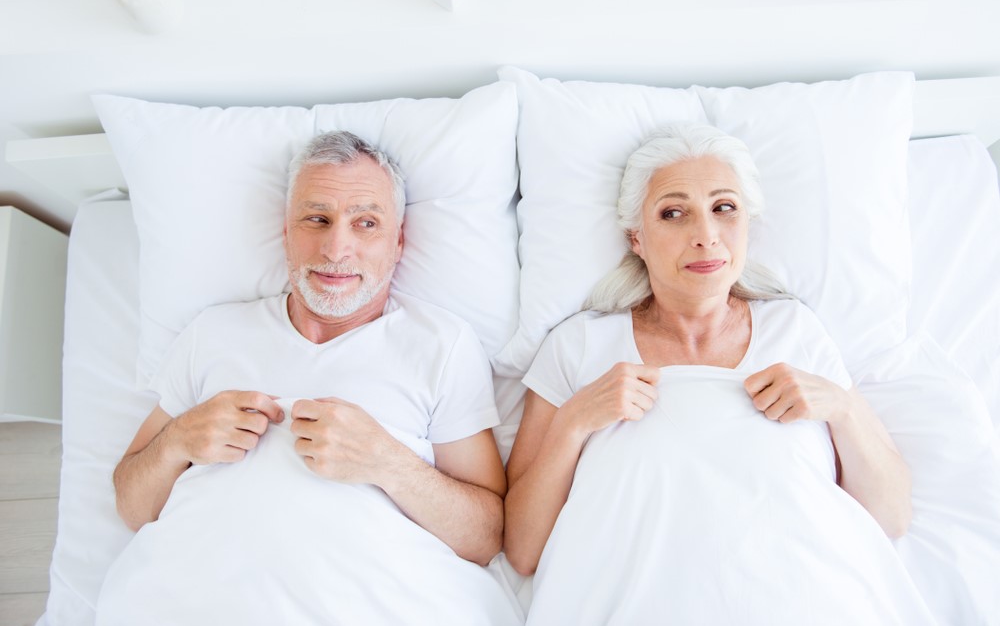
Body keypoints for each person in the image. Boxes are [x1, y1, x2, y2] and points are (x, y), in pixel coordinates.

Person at [503, 123, 934, 625]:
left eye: (724, 208)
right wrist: (574, 422)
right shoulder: (579, 345)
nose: (705, 235)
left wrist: (839, 408)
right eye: (674, 213)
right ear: (637, 238)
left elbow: (891, 516)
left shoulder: (795, 328)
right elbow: (523, 550)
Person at [98, 131, 522, 625]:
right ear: (285, 232)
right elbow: (131, 506)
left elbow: (485, 536)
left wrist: (386, 462)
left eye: (366, 223)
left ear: (399, 241)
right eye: (316, 219)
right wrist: (176, 441)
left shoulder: (439, 345)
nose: (336, 248)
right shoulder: (213, 332)